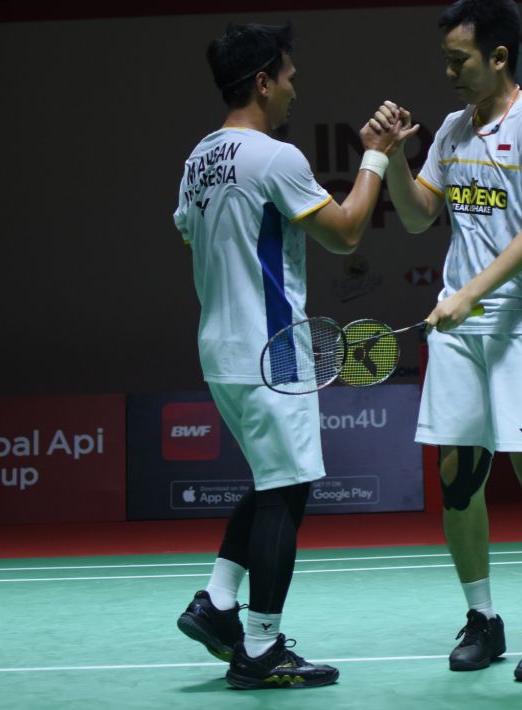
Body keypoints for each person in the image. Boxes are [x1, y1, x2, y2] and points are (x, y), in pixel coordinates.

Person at [172, 22, 412, 690]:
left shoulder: (199, 159)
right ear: (261, 82)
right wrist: (375, 157)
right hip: (272, 349)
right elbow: (344, 233)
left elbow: (192, 239)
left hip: (218, 347)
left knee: (275, 477)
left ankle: (218, 605)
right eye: (289, 77)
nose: (294, 88)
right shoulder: (276, 158)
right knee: (288, 491)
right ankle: (259, 647)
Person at [370, 0, 522, 683]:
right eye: (446, 61)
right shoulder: (455, 131)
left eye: (460, 60)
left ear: (499, 57)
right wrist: (394, 158)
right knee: (458, 480)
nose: (450, 72)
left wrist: (470, 293)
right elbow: (415, 215)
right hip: (461, 325)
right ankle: (482, 619)